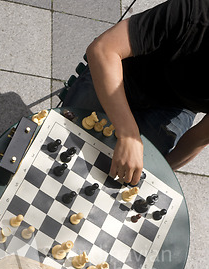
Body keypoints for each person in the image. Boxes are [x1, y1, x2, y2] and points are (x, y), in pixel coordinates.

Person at [64, 0, 209, 186]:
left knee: (124, 177)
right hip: (124, 74)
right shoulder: (195, 10)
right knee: (68, 135)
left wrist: (159, 175)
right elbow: (103, 49)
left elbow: (200, 138)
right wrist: (128, 134)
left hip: (176, 108)